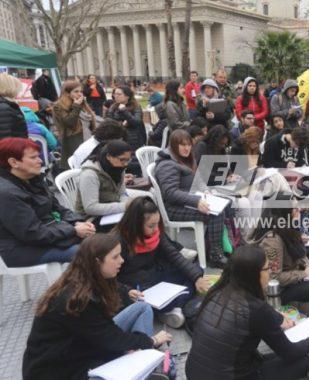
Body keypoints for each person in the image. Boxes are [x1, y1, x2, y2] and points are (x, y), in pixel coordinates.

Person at [22, 234, 172, 380]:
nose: (121, 260)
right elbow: (112, 339)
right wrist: (151, 341)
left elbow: (108, 329)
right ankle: (141, 362)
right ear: (96, 262)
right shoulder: (78, 300)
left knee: (142, 308)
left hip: (82, 346)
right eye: (115, 257)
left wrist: (127, 291)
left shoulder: (85, 276)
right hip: (61, 370)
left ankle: (139, 360)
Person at [185, 246, 309, 379]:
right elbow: (289, 353)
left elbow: (259, 313)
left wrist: (278, 318)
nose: (270, 272)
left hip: (194, 372)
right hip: (232, 375)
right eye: (267, 269)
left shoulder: (217, 291)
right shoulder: (256, 309)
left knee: (269, 358)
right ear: (253, 274)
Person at [115, 196, 208, 328]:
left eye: (157, 224)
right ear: (136, 224)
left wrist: (196, 277)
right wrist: (127, 290)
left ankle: (169, 309)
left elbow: (173, 255)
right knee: (141, 304)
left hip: (156, 275)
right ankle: (170, 308)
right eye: (151, 226)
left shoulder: (155, 233)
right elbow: (108, 277)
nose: (155, 229)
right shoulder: (118, 241)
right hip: (136, 287)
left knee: (196, 272)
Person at [0, 138, 94, 267]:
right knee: (91, 253)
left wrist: (77, 221)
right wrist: (73, 230)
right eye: (33, 158)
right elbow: (32, 234)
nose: (40, 161)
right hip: (20, 249)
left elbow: (57, 208)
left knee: (103, 243)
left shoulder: (33, 179)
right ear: (14, 162)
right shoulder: (7, 193)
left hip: (47, 234)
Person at [155, 129, 228, 267]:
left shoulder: (186, 159)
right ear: (173, 145)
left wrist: (206, 191)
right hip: (173, 208)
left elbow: (198, 180)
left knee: (226, 204)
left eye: (188, 144)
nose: (186, 148)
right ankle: (215, 255)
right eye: (182, 145)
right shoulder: (167, 164)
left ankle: (220, 246)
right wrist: (196, 201)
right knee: (216, 214)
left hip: (188, 201)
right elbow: (170, 193)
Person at [251, 208, 309, 304]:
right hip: (278, 291)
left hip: (292, 271)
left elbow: (300, 255)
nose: (300, 212)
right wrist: (304, 273)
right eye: (296, 210)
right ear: (285, 214)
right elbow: (274, 277)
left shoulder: (287, 229)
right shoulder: (272, 241)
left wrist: (308, 266)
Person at [76, 140, 134, 226]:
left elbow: (122, 194)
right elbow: (90, 208)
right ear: (109, 156)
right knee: (131, 225)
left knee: (141, 214)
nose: (125, 164)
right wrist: (124, 206)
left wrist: (128, 206)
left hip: (112, 212)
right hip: (89, 220)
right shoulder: (90, 174)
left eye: (128, 160)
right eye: (122, 159)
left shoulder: (118, 168)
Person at [54, 80, 96, 170]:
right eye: (76, 91)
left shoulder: (82, 103)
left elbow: (91, 121)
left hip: (88, 138)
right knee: (77, 168)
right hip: (73, 140)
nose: (79, 94)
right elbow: (70, 123)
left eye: (81, 91)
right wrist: (76, 106)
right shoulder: (59, 106)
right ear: (67, 93)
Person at [0, 74, 29, 140]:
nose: (18, 91)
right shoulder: (4, 108)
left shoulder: (6, 105)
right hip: (11, 149)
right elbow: (5, 140)